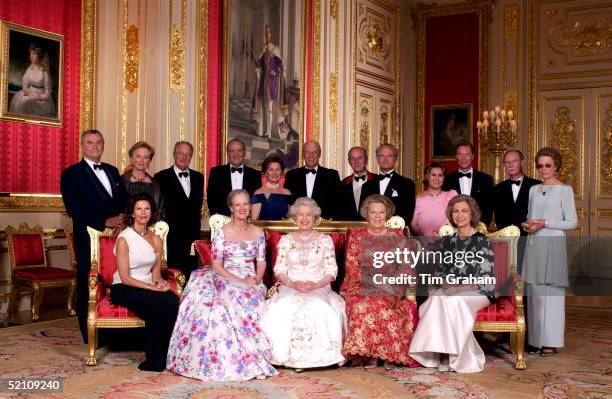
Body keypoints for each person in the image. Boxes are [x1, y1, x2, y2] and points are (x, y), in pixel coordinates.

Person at [167, 189, 277, 381]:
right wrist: (240, 281)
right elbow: (217, 266)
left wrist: (257, 278)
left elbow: (261, 262)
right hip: (225, 277)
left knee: (254, 300)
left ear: (250, 206)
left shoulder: (258, 232)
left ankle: (256, 355)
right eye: (238, 205)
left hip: (251, 279)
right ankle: (238, 360)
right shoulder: (222, 232)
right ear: (231, 208)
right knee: (221, 304)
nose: (242, 208)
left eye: (246, 204)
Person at [409, 195, 495, 373]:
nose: (460, 215)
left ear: (472, 214)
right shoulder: (447, 241)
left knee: (453, 302)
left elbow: (485, 278)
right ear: (450, 215)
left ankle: (456, 356)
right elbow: (441, 272)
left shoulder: (482, 241)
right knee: (434, 300)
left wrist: (459, 287)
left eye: (464, 211)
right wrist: (444, 282)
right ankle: (440, 352)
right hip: (451, 289)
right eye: (455, 211)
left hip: (478, 292)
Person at [260, 197, 347, 370]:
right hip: (290, 285)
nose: (305, 218)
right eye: (300, 214)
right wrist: (292, 284)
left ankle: (315, 358)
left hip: (319, 285)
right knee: (282, 307)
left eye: (309, 215)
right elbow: (279, 270)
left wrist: (315, 285)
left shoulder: (325, 240)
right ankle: (285, 357)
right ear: (294, 217)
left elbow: (332, 271)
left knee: (319, 307)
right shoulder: (285, 240)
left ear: (315, 218)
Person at [60, 129, 127, 342]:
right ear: (82, 146)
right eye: (90, 143)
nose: (95, 146)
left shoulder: (113, 170)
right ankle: (89, 334)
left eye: (99, 142)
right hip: (88, 238)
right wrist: (104, 221)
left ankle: (115, 329)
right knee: (88, 282)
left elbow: (124, 200)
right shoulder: (71, 173)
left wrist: (122, 218)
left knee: (117, 279)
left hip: (117, 237)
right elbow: (74, 207)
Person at [342, 194, 419, 368]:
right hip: (361, 286)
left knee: (382, 305)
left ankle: (381, 354)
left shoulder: (397, 236)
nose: (377, 216)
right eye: (373, 212)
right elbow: (352, 265)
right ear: (366, 215)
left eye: (381, 212)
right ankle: (366, 354)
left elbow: (406, 267)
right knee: (364, 306)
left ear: (387, 214)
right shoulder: (357, 236)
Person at [110, 193, 179, 372]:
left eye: (146, 208)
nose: (143, 212)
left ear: (151, 212)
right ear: (132, 213)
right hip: (124, 287)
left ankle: (168, 355)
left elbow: (156, 275)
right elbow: (125, 277)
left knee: (171, 300)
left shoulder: (156, 239)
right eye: (139, 209)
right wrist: (151, 288)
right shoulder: (124, 238)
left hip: (147, 286)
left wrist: (161, 284)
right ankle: (154, 360)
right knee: (157, 304)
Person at [522, 147, 577, 357]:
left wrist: (545, 223)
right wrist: (531, 225)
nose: (543, 169)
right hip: (535, 244)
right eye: (540, 165)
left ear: (556, 166)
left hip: (553, 246)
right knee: (535, 293)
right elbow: (531, 216)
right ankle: (535, 340)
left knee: (552, 296)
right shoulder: (533, 190)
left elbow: (572, 222)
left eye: (547, 165)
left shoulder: (565, 190)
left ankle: (551, 342)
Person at [155, 141, 204, 279]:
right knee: (173, 275)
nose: (184, 157)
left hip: (192, 236)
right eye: (180, 154)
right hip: (171, 237)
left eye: (188, 154)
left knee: (191, 275)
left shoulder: (198, 177)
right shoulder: (161, 177)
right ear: (174, 155)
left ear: (191, 157)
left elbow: (196, 207)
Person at [283, 141, 342, 220]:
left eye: (314, 152)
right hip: (297, 223)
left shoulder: (332, 175)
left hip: (323, 223)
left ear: (319, 154)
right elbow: (288, 201)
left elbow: (337, 202)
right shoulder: (291, 175)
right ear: (303, 154)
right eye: (307, 152)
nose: (311, 156)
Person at [360, 143, 416, 224]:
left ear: (395, 158)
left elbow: (408, 213)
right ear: (377, 158)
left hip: (396, 232)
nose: (385, 159)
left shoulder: (407, 184)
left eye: (389, 155)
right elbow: (362, 212)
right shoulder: (367, 186)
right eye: (381, 155)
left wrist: (393, 226)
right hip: (371, 232)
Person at [443, 141, 494, 227]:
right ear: (456, 157)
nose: (464, 158)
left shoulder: (486, 179)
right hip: (453, 229)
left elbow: (488, 208)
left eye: (467, 154)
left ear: (472, 156)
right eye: (460, 154)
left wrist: (479, 228)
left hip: (478, 230)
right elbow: (445, 208)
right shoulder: (446, 180)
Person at [250, 25, 288, 139]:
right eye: (266, 32)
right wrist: (257, 63)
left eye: (269, 32)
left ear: (271, 34)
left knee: (270, 106)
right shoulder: (263, 49)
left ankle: (270, 133)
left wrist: (275, 71)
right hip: (264, 81)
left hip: (272, 83)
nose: (267, 34)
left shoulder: (274, 48)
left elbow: (281, 64)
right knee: (264, 107)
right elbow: (260, 64)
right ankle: (265, 129)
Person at [207, 139, 262, 216]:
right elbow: (211, 200)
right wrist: (219, 221)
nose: (236, 154)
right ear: (227, 153)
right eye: (232, 151)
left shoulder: (255, 175)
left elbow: (256, 201)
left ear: (244, 153)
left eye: (239, 150)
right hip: (222, 222)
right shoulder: (216, 173)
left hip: (246, 222)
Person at [494, 149, 541, 238]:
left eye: (514, 161)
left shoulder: (536, 186)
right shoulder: (498, 188)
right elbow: (498, 217)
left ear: (522, 162)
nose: (510, 165)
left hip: (530, 237)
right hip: (507, 238)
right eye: (507, 162)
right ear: (504, 165)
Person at [411, 162, 458, 238]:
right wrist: (425, 239)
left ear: (444, 178)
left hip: (448, 242)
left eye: (440, 175)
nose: (437, 178)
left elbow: (459, 219)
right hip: (425, 243)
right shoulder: (417, 199)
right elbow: (414, 224)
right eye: (433, 175)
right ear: (427, 176)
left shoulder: (452, 195)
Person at [9, 44, 56, 117]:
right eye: (30, 54)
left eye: (34, 54)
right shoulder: (29, 70)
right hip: (29, 94)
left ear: (39, 56)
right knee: (24, 101)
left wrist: (39, 97)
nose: (31, 56)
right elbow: (25, 87)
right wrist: (31, 94)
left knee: (27, 102)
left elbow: (48, 93)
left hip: (41, 98)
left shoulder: (44, 72)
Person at [121, 141, 164, 218]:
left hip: (150, 228)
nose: (141, 160)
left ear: (149, 160)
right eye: (138, 156)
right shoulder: (120, 181)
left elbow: (160, 211)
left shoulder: (156, 185)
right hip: (125, 227)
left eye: (145, 157)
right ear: (131, 158)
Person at [339, 146, 376, 221]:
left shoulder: (377, 181)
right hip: (349, 228)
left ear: (366, 159)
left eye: (360, 158)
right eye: (353, 158)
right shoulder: (343, 184)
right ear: (349, 161)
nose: (356, 162)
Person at [251, 154, 291, 220]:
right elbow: (254, 221)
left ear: (281, 172)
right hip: (262, 230)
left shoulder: (287, 193)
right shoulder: (258, 193)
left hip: (283, 230)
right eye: (271, 169)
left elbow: (289, 219)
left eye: (277, 169)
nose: (274, 173)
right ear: (266, 172)